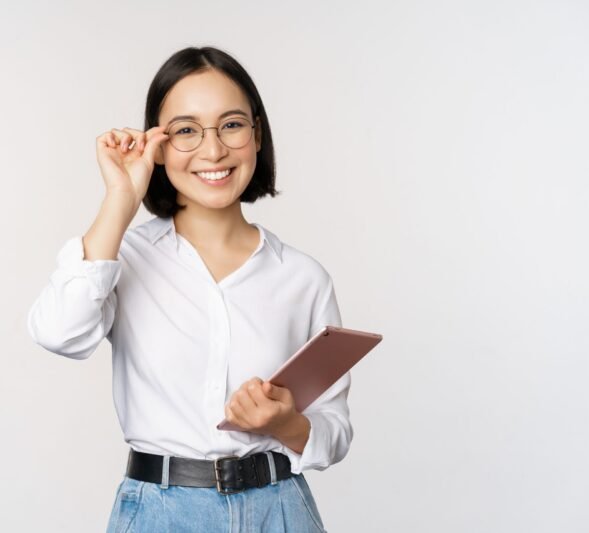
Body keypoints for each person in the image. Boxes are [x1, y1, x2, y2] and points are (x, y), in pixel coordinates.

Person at [27, 46, 352, 533]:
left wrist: (285, 424)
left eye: (232, 124)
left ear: (257, 135)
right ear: (157, 146)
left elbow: (335, 429)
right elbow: (58, 333)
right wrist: (121, 198)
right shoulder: (124, 257)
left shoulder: (303, 278)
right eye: (185, 131)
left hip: (280, 511)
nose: (213, 149)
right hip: (161, 513)